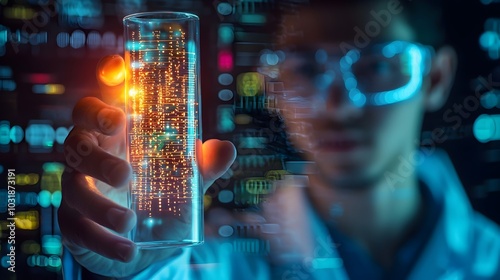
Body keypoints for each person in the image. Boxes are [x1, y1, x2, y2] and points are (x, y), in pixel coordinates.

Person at [59, 0, 500, 279]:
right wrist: (135, 270)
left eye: (378, 65)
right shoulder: (215, 260)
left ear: (435, 76)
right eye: (307, 70)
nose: (338, 105)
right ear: (273, 88)